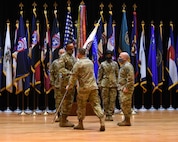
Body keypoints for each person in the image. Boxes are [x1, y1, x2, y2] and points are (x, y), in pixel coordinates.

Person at [66, 48, 105, 131]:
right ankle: (101, 120)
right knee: (96, 104)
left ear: (79, 54)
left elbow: (73, 76)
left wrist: (70, 85)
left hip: (83, 88)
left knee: (81, 106)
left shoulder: (78, 63)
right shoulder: (90, 62)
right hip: (93, 86)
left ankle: (80, 123)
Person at [58, 42, 76, 127]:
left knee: (70, 101)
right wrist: (70, 73)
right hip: (65, 82)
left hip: (71, 82)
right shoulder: (63, 57)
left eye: (72, 48)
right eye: (70, 48)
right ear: (66, 48)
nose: (72, 50)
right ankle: (63, 120)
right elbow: (61, 69)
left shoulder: (72, 57)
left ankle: (64, 118)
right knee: (66, 101)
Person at [97, 50, 119, 121]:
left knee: (112, 100)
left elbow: (117, 74)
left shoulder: (115, 64)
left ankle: (110, 114)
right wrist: (99, 84)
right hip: (105, 84)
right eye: (107, 54)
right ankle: (106, 113)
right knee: (105, 100)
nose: (108, 56)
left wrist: (118, 83)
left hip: (113, 84)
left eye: (110, 54)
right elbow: (99, 75)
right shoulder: (103, 64)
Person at [117, 52, 134, 126]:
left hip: (126, 89)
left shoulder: (127, 66)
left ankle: (127, 121)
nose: (119, 58)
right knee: (123, 104)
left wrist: (127, 87)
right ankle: (125, 119)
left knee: (126, 104)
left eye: (121, 57)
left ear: (125, 58)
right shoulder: (123, 66)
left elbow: (130, 78)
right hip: (122, 88)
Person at [49, 48, 65, 122]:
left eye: (63, 52)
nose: (62, 54)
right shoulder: (55, 62)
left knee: (65, 101)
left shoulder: (67, 62)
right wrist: (52, 82)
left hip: (65, 85)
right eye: (60, 52)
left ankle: (64, 117)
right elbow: (51, 73)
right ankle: (59, 116)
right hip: (57, 84)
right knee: (58, 101)